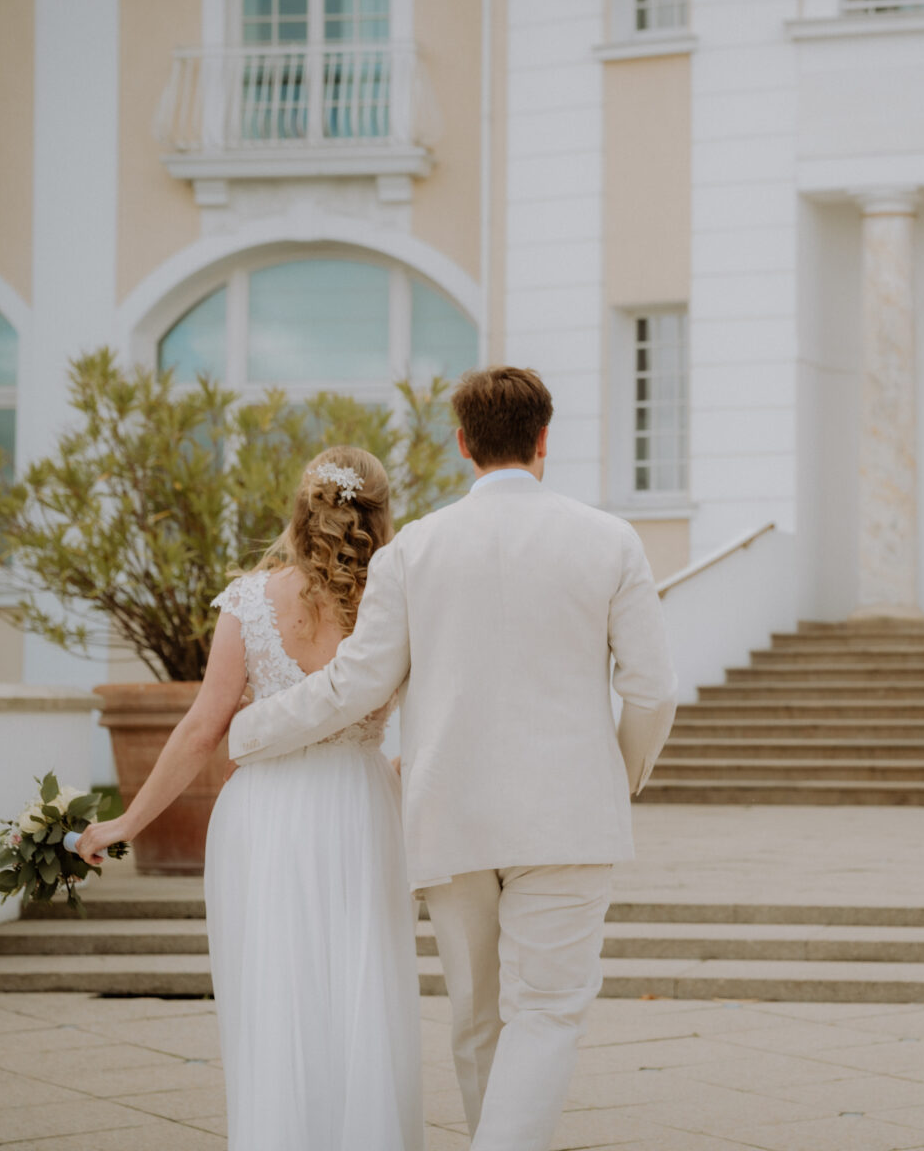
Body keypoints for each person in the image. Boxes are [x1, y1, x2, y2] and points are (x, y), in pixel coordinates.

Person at [225, 366, 678, 1151]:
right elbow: (654, 692)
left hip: (448, 815)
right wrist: (623, 774)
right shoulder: (610, 541)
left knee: (477, 1020)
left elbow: (355, 683)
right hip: (568, 819)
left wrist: (251, 733)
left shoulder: (414, 552)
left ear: (463, 443)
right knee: (546, 1012)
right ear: (544, 439)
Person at [76, 446, 422, 1151]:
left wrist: (128, 821)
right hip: (361, 806)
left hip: (267, 813)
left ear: (301, 511)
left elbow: (204, 726)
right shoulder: (396, 607)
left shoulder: (250, 601)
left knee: (273, 992)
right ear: (380, 517)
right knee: (362, 989)